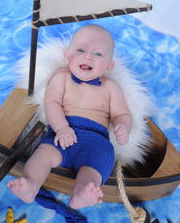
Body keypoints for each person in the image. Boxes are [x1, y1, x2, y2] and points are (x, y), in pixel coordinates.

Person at [7, 24, 132, 209]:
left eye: (98, 54)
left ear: (109, 66)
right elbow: (52, 102)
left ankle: (82, 194)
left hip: (96, 143)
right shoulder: (61, 77)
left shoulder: (111, 88)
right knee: (43, 154)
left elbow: (122, 114)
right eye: (80, 50)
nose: (88, 56)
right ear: (67, 55)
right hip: (63, 135)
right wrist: (61, 128)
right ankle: (31, 184)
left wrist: (123, 127)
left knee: (97, 166)